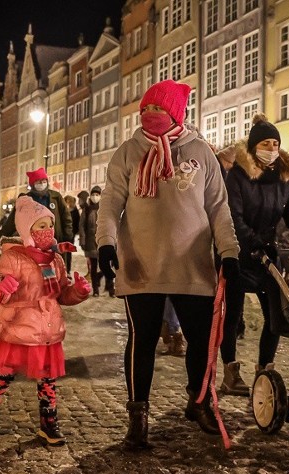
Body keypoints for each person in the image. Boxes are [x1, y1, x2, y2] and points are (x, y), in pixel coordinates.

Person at [96, 80, 240, 449]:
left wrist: (229, 251)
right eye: (146, 109)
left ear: (177, 113)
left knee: (200, 340)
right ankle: (137, 415)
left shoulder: (201, 153)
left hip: (191, 265)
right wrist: (107, 242)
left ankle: (199, 400)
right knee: (141, 341)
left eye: (159, 109)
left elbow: (218, 208)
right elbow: (111, 202)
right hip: (140, 264)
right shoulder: (128, 152)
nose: (151, 115)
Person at [0, 196, 91, 445]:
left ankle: (49, 424)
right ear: (27, 230)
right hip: (20, 328)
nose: (47, 231)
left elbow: (61, 294)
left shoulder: (55, 260)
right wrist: (1, 283)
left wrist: (78, 291)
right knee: (3, 376)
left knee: (48, 381)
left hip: (47, 330)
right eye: (40, 226)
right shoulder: (14, 257)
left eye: (49, 225)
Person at [221, 114, 289, 396]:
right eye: (266, 143)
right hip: (238, 251)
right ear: (254, 146)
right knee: (232, 315)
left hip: (267, 254)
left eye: (275, 143)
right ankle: (230, 371)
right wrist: (251, 242)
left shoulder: (283, 178)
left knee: (275, 315)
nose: (271, 148)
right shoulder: (239, 175)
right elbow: (233, 215)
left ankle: (264, 369)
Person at [0, 168, 72, 245]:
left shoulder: (56, 197)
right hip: (33, 239)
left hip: (54, 238)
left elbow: (66, 217)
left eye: (44, 181)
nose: (42, 184)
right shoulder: (25, 199)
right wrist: (2, 236)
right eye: (38, 182)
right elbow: (13, 219)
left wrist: (68, 235)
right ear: (33, 184)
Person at [78, 185, 114, 297]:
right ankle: (96, 290)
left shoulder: (106, 209)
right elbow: (82, 226)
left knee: (107, 266)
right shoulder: (87, 209)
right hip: (90, 241)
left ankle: (111, 289)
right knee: (93, 267)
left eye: (97, 195)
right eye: (93, 194)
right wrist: (82, 241)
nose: (95, 197)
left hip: (104, 241)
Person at [64, 194, 80, 273]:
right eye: (66, 201)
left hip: (71, 235)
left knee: (68, 253)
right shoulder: (63, 210)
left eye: (69, 202)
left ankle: (68, 269)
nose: (68, 203)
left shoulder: (75, 211)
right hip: (63, 235)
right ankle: (63, 268)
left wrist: (74, 232)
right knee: (62, 252)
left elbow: (77, 222)